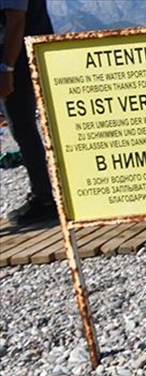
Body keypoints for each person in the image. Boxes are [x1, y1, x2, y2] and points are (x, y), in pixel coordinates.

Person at [0, 0, 55, 227]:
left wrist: (6, 68)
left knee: (22, 126)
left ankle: (45, 199)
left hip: (18, 59)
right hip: (16, 57)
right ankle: (44, 196)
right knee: (21, 127)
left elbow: (16, 20)